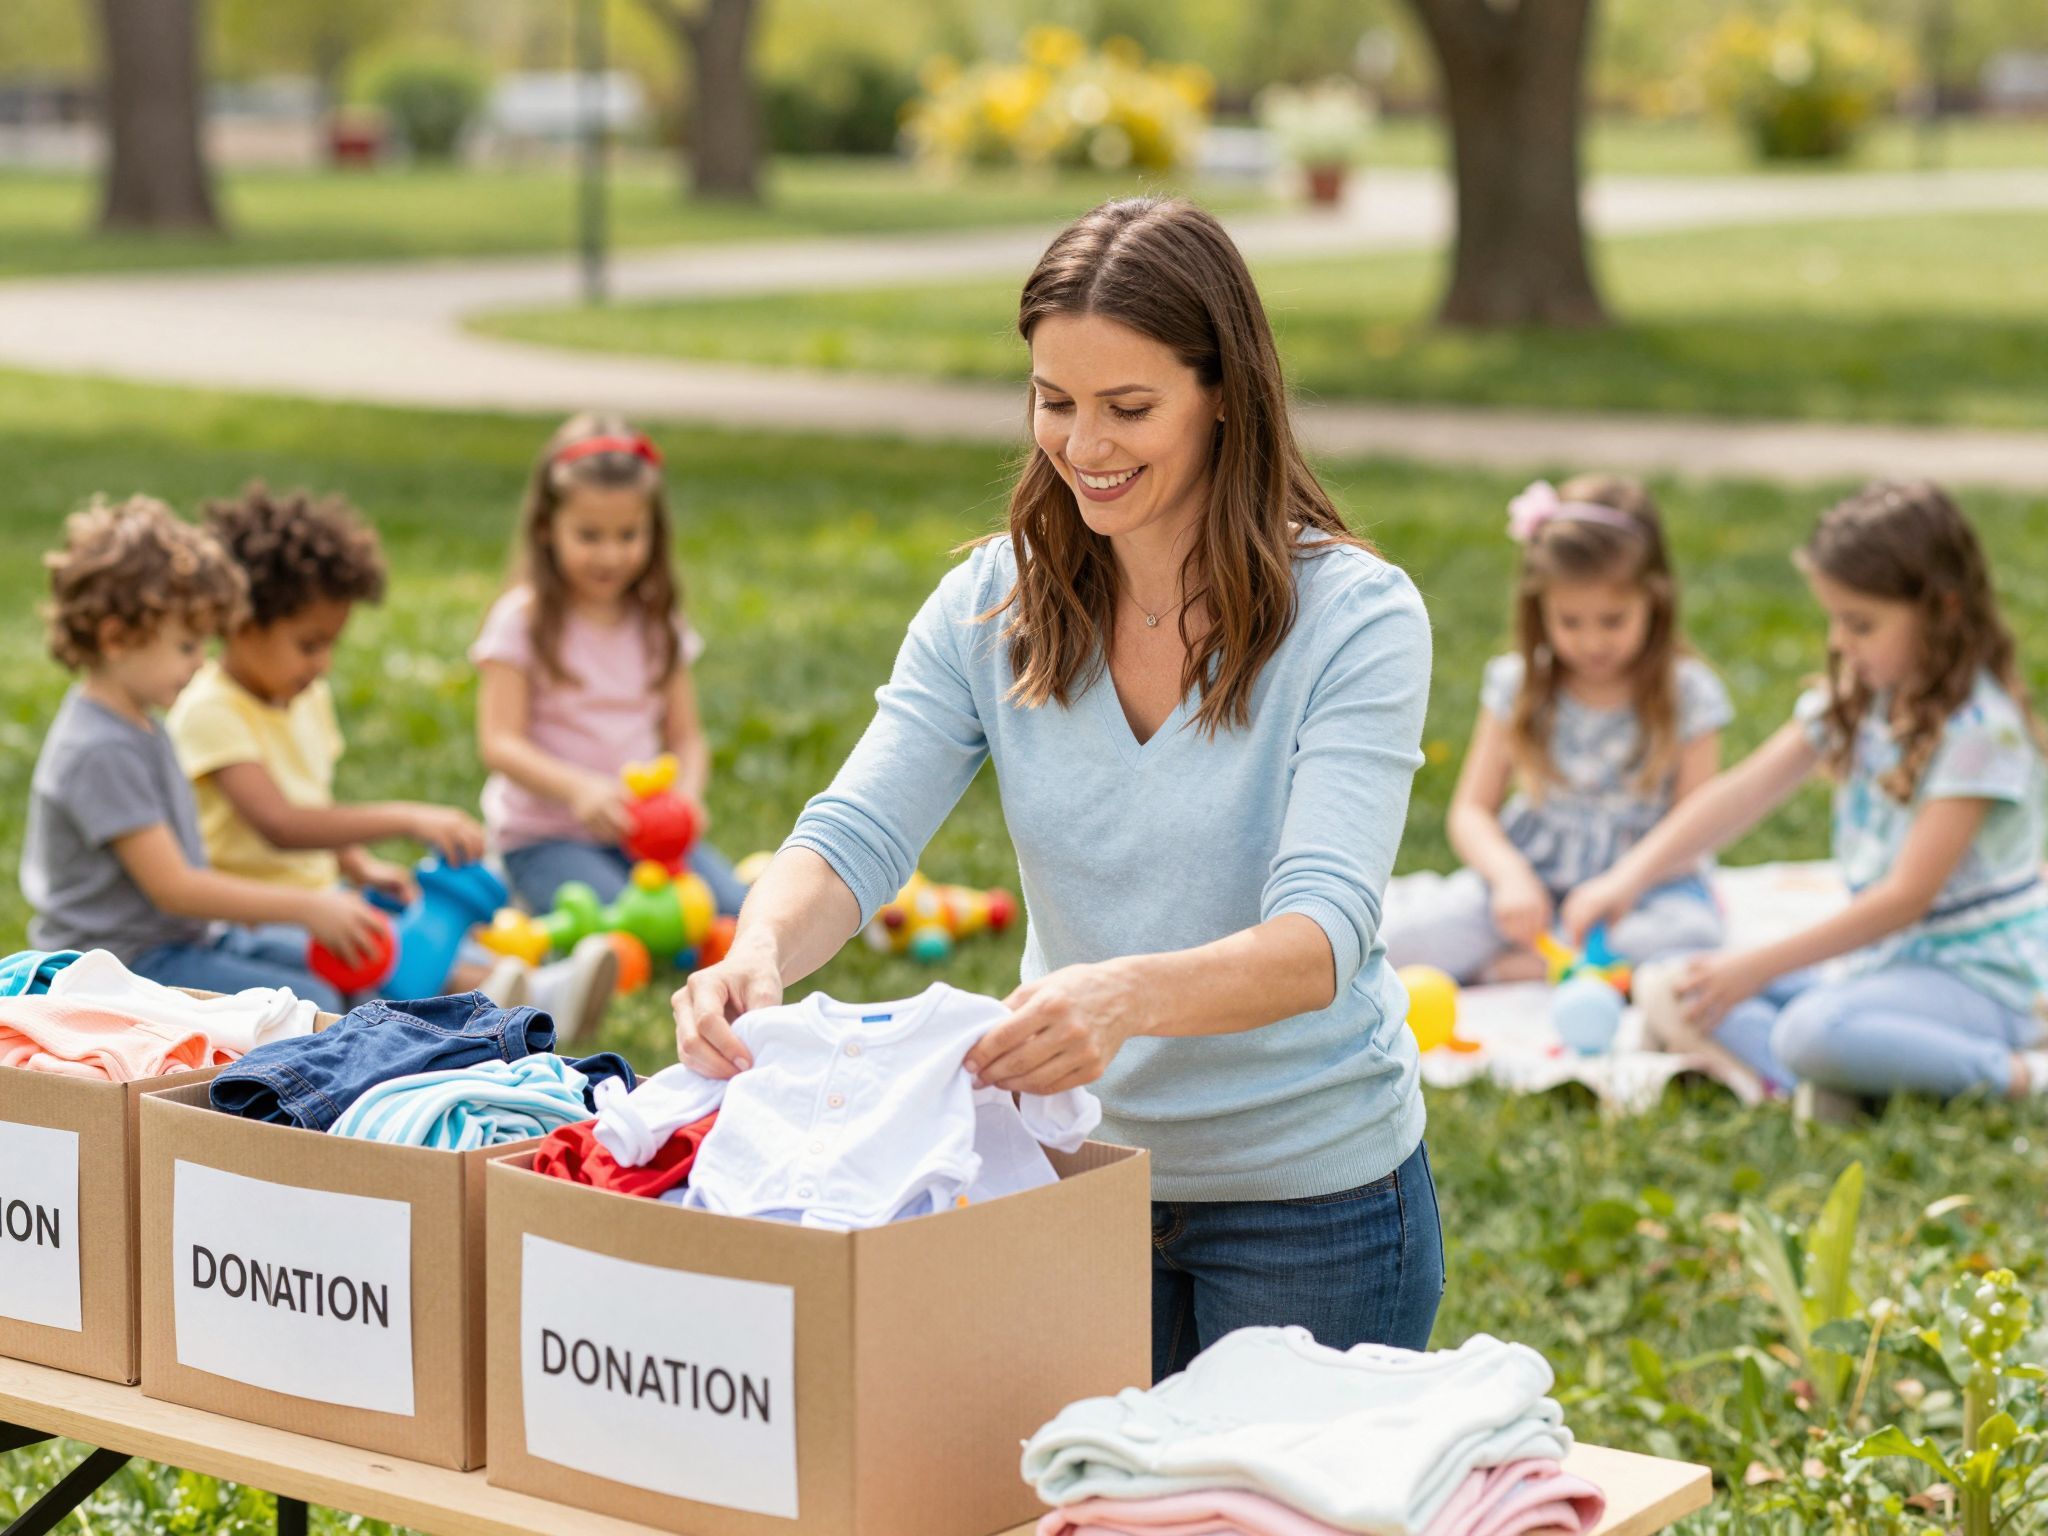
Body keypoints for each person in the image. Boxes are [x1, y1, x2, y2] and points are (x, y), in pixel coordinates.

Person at [674, 198, 1443, 1380]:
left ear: (1225, 394)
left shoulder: (1353, 619)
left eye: (1128, 408)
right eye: (1053, 401)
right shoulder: (993, 606)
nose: (1083, 445)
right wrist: (758, 948)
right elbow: (855, 833)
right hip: (1074, 1179)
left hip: (1309, 1206)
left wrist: (1122, 996)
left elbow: (1319, 938)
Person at [1565, 481, 2048, 1104]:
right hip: (1882, 967)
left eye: (1861, 623)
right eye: (1836, 619)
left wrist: (1756, 967)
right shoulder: (1863, 701)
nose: (1840, 641)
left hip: (1982, 982)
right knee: (1679, 984)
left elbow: (1905, 899)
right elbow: (1741, 793)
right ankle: (1855, 1082)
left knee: (1810, 1031)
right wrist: (1626, 878)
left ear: (1943, 610)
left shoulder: (1982, 733)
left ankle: (2018, 1076)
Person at [168, 483, 611, 1029]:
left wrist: (358, 864)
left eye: (331, 644)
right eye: (309, 645)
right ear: (241, 623)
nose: (323, 664)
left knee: (417, 921)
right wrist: (406, 817)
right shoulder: (210, 711)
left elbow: (313, 803)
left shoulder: (304, 698)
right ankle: (502, 1005)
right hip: (253, 916)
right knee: (379, 954)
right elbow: (281, 824)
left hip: (319, 895)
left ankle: (517, 991)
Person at [23, 496, 383, 1013]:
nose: (201, 663)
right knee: (311, 1001)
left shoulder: (140, 721)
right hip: (115, 967)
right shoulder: (99, 749)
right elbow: (175, 889)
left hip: (184, 939)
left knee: (335, 969)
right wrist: (308, 906)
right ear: (117, 637)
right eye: (187, 647)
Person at [1381, 476, 1729, 982]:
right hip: (1531, 882)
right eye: (1569, 621)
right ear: (1538, 609)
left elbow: (1697, 825)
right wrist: (1509, 878)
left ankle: (1526, 967)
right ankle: (1569, 963)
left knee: (1689, 936)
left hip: (1645, 888)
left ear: (1654, 600)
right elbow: (1471, 811)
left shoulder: (1688, 693)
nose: (1592, 642)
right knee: (1401, 937)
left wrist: (1623, 883)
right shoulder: (1519, 684)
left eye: (1613, 620)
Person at [473, 412, 746, 929]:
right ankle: (520, 891)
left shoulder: (657, 622)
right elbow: (499, 743)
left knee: (737, 914)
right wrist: (578, 790)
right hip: (544, 838)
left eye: (628, 534)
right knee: (630, 924)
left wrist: (686, 799)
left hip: (646, 838)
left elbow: (686, 737)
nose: (611, 554)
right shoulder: (522, 621)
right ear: (546, 528)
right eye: (589, 535)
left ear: (653, 532)